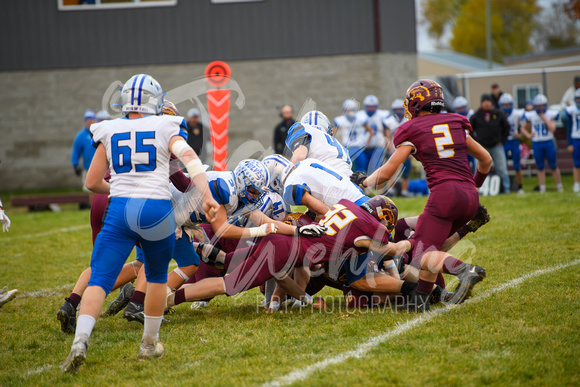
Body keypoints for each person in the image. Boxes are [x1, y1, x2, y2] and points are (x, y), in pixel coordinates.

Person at [61, 74, 220, 373]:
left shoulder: (109, 128)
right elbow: (189, 157)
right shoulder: (165, 124)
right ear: (154, 100)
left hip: (120, 210)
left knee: (100, 279)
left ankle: (80, 340)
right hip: (157, 211)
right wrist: (208, 194)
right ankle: (149, 343)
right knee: (157, 277)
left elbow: (92, 182)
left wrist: (123, 189)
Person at [351, 79, 491, 311]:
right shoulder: (456, 121)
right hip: (469, 195)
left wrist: (364, 181)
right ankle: (421, 301)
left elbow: (388, 171)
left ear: (415, 103)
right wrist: (473, 186)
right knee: (429, 246)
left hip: (445, 195)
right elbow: (486, 160)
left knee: (422, 252)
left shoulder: (412, 128)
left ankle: (464, 270)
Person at [285, 111, 352, 178]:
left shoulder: (304, 129)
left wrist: (286, 180)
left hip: (326, 183)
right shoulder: (342, 149)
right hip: (350, 184)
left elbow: (299, 157)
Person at [521, 94, 564, 193]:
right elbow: (523, 128)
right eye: (538, 106)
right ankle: (542, 188)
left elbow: (552, 129)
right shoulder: (531, 115)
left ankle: (559, 186)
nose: (540, 108)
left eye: (542, 106)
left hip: (548, 141)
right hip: (536, 143)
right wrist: (528, 135)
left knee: (553, 165)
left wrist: (544, 118)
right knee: (540, 166)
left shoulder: (550, 114)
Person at [470, 94, 511, 194]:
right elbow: (469, 130)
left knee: (502, 168)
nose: (486, 103)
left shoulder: (498, 113)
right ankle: (478, 191)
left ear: (492, 102)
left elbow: (506, 127)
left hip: (496, 145)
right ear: (481, 103)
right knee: (479, 169)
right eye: (484, 101)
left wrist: (502, 140)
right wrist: (475, 141)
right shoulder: (476, 115)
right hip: (482, 146)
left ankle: (507, 189)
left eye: (488, 101)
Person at [335, 99, 374, 174]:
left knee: (361, 169)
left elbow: (371, 131)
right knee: (346, 169)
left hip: (358, 147)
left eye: (351, 110)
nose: (349, 112)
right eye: (347, 110)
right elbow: (332, 132)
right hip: (347, 148)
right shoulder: (341, 120)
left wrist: (367, 143)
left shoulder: (360, 119)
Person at [499, 93, 526, 195]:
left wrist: (520, 135)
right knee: (503, 167)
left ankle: (520, 187)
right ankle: (505, 188)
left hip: (514, 142)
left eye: (508, 105)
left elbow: (527, 123)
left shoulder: (517, 113)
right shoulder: (498, 114)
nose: (506, 107)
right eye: (504, 105)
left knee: (517, 166)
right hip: (504, 142)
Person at [384, 99, 411, 195]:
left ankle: (404, 192)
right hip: (393, 150)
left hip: (405, 150)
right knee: (390, 172)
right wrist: (391, 150)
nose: (398, 111)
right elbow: (387, 137)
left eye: (400, 109)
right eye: (396, 109)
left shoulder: (408, 120)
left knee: (405, 173)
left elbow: (411, 136)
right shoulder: (389, 121)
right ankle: (390, 190)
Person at [71, 109, 97, 208]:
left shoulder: (99, 132)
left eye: (91, 119)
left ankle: (101, 207)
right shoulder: (80, 136)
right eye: (87, 120)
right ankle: (93, 207)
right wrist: (75, 165)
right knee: (90, 189)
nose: (90, 122)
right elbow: (76, 151)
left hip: (102, 167)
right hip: (88, 167)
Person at [357, 95, 389, 174]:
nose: (371, 109)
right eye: (369, 107)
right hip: (363, 147)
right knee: (361, 168)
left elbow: (386, 131)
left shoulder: (382, 115)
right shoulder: (360, 115)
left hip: (377, 146)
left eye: (373, 107)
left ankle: (374, 185)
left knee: (376, 168)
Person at [563, 88, 580, 192]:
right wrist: (569, 143)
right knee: (577, 163)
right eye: (578, 99)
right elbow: (568, 126)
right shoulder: (572, 110)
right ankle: (576, 184)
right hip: (576, 137)